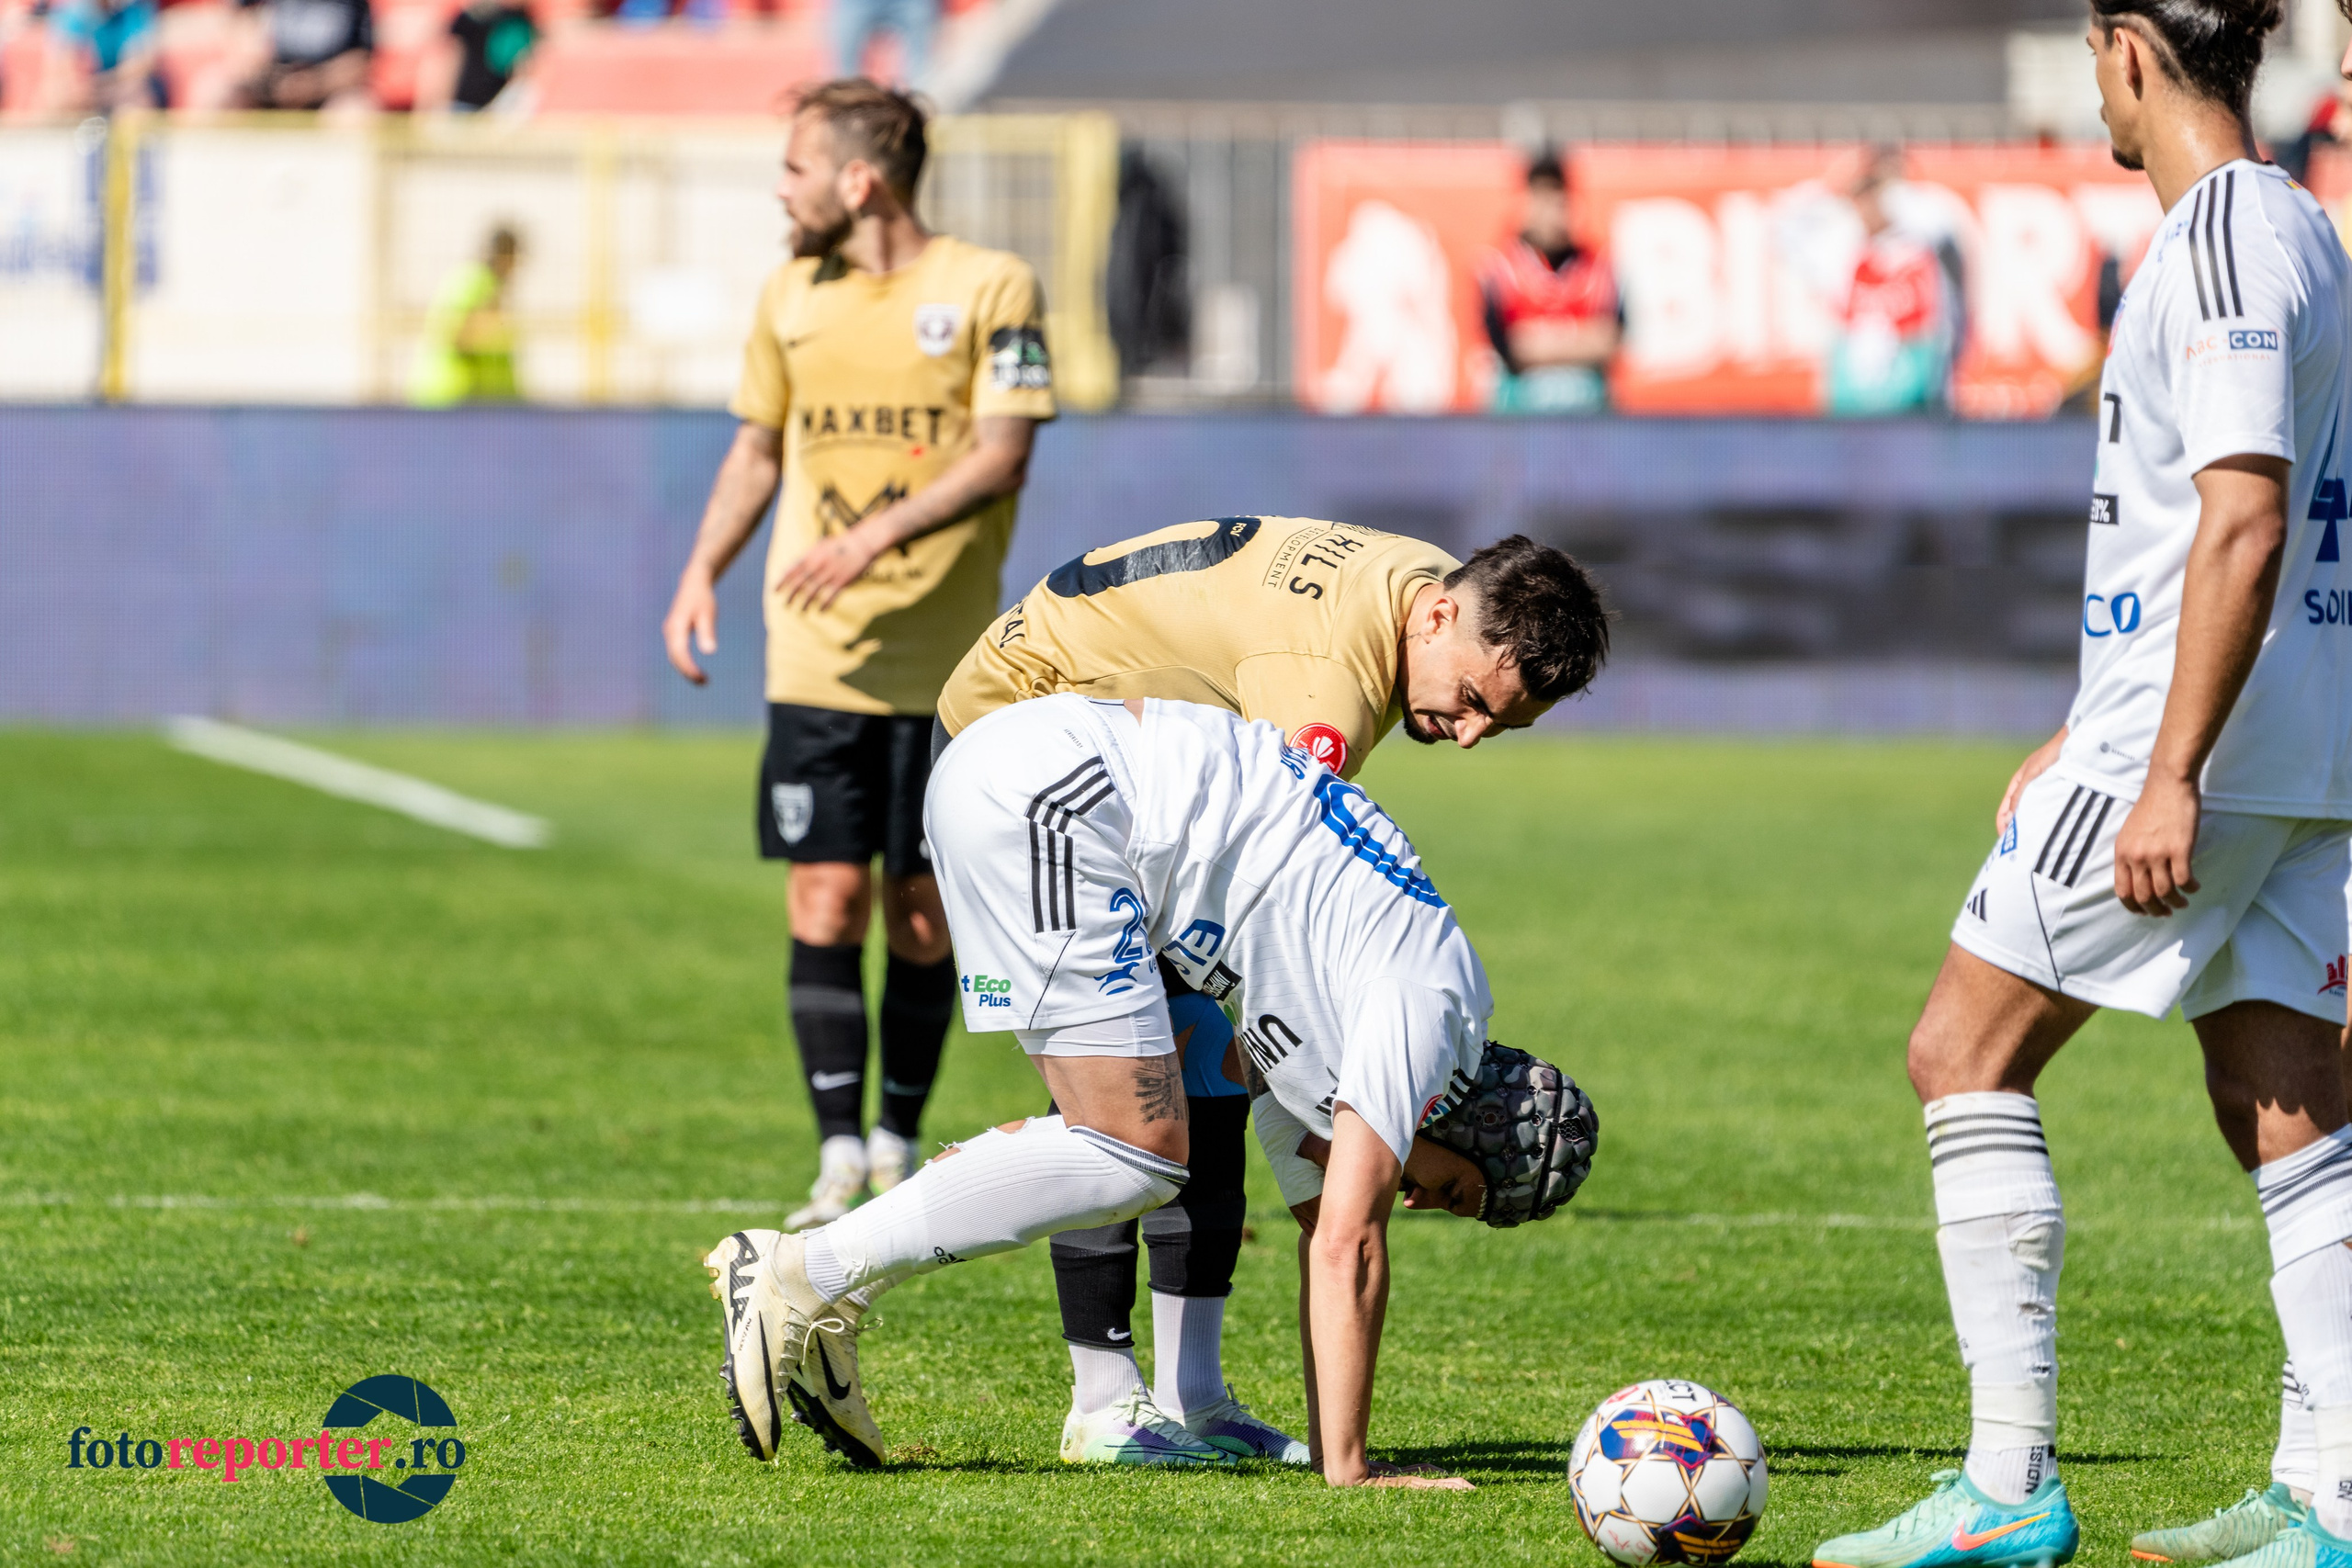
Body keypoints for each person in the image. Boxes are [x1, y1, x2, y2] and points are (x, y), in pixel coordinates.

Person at [1810, 4, 2352, 1568]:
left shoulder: (2228, 241)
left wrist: (2160, 765)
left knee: (1959, 1050)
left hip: (2201, 756)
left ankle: (2004, 1485)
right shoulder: (2297, 229)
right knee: (2288, 1097)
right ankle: (2326, 1489)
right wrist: (2092, 717)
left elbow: (2243, 520)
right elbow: (2210, 538)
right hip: (2295, 746)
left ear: (2126, 50)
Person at [705, 694, 1595, 1483]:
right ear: (1463, 1114)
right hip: (1057, 804)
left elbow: (1324, 1221)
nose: (1420, 1200)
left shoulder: (1383, 1025)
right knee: (1135, 1148)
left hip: (1059, 801)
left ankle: (1189, 1398)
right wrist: (1352, 1471)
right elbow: (1350, 1246)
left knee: (1201, 1070)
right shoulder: (1425, 1010)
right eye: (1449, 1190)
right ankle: (807, 1273)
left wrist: (1334, 1445)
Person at [929, 524, 1609, 1464]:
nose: (1469, 734)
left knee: (1202, 1066)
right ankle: (1102, 1397)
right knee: (1140, 1096)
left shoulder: (1418, 586)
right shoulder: (1322, 688)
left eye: (1497, 723)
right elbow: (1272, 876)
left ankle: (1193, 1397)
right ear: (1444, 615)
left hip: (1089, 755)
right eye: (1470, 703)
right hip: (1025, 746)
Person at [661, 80, 1056, 1234]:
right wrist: (700, 571)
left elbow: (1004, 455)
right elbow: (755, 448)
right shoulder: (790, 294)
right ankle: (838, 1152)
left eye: (791, 168)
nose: (778, 191)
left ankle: (897, 1135)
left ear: (857, 179)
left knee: (923, 916)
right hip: (816, 658)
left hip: (949, 671)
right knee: (825, 897)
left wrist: (872, 535)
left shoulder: (989, 287)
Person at [1477, 150, 1619, 415]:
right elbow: (1508, 347)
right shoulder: (1499, 270)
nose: (1550, 209)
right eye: (1541, 197)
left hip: (1588, 423)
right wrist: (1580, 341)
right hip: (1519, 421)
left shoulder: (1598, 269)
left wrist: (1537, 341)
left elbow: (1610, 342)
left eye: (1558, 197)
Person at [1825, 147, 1961, 418]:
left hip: (1918, 412)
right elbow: (1786, 225)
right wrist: (1840, 176)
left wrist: (1896, 194)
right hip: (1853, 413)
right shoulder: (1843, 247)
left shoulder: (1928, 247)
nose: (1866, 205)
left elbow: (1937, 225)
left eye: (1876, 191)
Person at [408, 225, 522, 407]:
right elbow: (461, 336)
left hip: (454, 399)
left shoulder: (467, 280)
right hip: (457, 399)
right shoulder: (482, 285)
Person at [234, 0, 371, 110]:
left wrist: (314, 85)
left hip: (329, 91)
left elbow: (362, 59)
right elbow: (239, 35)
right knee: (225, 97)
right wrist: (275, 83)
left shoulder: (354, 5)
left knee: (352, 111)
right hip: (268, 87)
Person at [414, 0, 534, 114]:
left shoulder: (527, 19)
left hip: (498, 109)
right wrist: (435, 106)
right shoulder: (477, 16)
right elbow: (445, 59)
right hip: (463, 105)